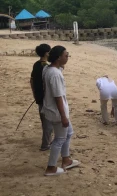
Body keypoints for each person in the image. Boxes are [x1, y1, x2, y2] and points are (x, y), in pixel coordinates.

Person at [42, 46, 80, 176]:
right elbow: (58, 96)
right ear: (58, 57)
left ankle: (66, 159)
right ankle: (51, 168)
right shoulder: (55, 74)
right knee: (59, 139)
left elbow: (58, 68)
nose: (67, 57)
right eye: (66, 55)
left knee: (69, 132)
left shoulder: (48, 69)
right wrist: (63, 116)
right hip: (57, 112)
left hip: (52, 110)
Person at [30, 43, 53, 151]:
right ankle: (45, 145)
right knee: (48, 122)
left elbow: (32, 80)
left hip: (39, 96)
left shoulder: (36, 64)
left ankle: (48, 141)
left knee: (45, 121)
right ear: (46, 53)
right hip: (45, 98)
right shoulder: (46, 67)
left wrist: (35, 93)